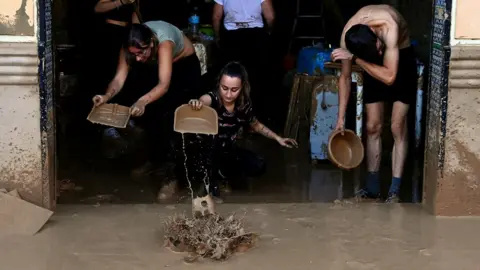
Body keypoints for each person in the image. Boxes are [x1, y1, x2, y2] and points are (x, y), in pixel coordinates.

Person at [91, 21, 202, 191]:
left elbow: (163, 85)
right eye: (133, 54)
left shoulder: (164, 43)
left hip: (183, 68)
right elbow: (119, 79)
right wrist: (106, 96)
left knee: (170, 117)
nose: (137, 58)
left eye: (141, 52)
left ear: (151, 43)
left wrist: (143, 101)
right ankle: (154, 161)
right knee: (150, 115)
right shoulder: (131, 47)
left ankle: (171, 175)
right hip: (157, 65)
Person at [331, 5, 416, 203]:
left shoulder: (389, 27)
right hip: (366, 60)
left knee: (397, 125)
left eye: (378, 48)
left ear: (375, 36)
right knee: (372, 126)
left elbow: (389, 77)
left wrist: (357, 60)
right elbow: (344, 78)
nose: (379, 51)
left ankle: (394, 190)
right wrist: (340, 118)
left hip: (400, 60)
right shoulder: (348, 37)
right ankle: (372, 189)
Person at [188, 62, 298, 198]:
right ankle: (209, 183)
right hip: (208, 151)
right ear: (219, 85)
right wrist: (198, 103)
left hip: (228, 150)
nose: (228, 94)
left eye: (234, 90)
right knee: (211, 148)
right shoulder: (214, 98)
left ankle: (223, 176)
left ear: (242, 87)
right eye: (224, 88)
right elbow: (205, 100)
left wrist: (278, 138)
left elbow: (255, 124)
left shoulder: (243, 104)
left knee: (258, 165)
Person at [212, 0, 275, 120]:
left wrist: (218, 36)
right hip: (256, 37)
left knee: (232, 77)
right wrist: (268, 33)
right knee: (256, 77)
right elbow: (270, 16)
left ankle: (231, 118)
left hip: (232, 38)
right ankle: (254, 119)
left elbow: (216, 16)